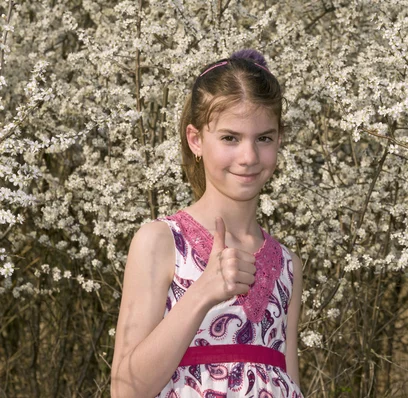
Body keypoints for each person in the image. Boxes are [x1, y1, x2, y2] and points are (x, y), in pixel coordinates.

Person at [111, 49, 304, 398]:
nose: (248, 157)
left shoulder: (289, 265)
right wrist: (203, 290)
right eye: (230, 138)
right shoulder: (160, 241)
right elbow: (126, 390)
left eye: (264, 138)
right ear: (196, 139)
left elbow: (289, 382)